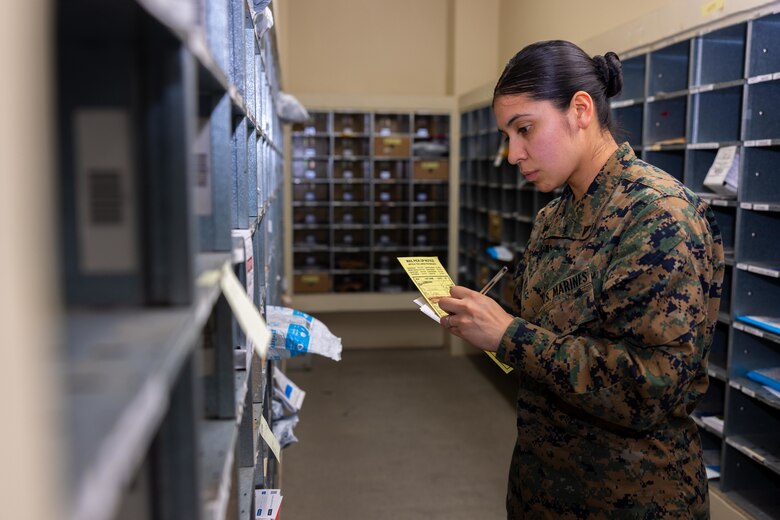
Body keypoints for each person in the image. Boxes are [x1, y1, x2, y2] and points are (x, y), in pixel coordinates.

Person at [438, 40, 724, 519]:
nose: (513, 154)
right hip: (543, 486)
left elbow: (647, 389)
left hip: (631, 497)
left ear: (580, 110)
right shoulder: (554, 217)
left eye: (524, 129)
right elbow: (543, 343)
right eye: (507, 136)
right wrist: (484, 325)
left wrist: (509, 336)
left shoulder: (657, 216)